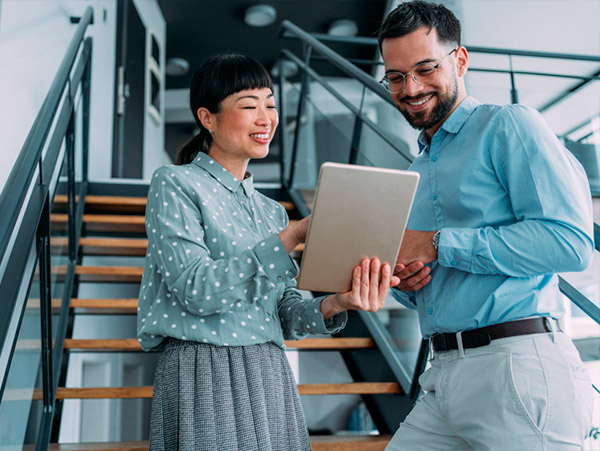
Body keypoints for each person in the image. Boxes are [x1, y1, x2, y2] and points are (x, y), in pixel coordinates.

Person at [137, 53, 399, 451]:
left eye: (270, 104)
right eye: (249, 105)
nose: (266, 118)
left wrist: (336, 302)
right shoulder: (175, 183)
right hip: (204, 369)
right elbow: (196, 289)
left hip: (270, 372)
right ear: (207, 117)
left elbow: (286, 314)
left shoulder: (271, 210)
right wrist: (290, 236)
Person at [377, 2, 595, 450]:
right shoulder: (413, 170)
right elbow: (425, 274)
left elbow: (570, 242)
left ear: (459, 60)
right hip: (441, 374)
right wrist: (404, 281)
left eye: (424, 68)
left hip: (517, 366)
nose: (411, 88)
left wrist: (438, 244)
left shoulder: (509, 125)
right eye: (396, 77)